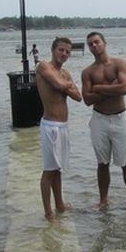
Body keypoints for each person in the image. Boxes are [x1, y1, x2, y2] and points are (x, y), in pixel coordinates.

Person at [81, 31, 126, 210]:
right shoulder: (88, 71)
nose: (94, 46)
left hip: (120, 118)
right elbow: (87, 99)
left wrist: (98, 88)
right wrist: (110, 87)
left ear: (104, 43)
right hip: (99, 119)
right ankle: (103, 200)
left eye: (96, 42)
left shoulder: (119, 63)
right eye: (90, 44)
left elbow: (124, 88)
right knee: (102, 163)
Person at [35, 37, 82, 221]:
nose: (64, 54)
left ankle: (60, 204)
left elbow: (78, 97)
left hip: (63, 126)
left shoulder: (65, 73)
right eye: (61, 50)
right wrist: (66, 85)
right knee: (49, 170)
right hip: (50, 126)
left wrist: (66, 85)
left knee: (58, 168)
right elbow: (58, 85)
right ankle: (48, 212)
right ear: (53, 50)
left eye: (68, 52)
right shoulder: (43, 67)